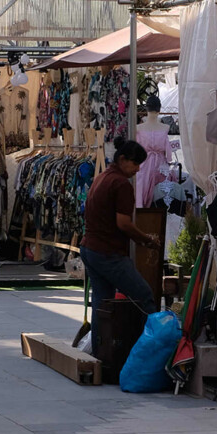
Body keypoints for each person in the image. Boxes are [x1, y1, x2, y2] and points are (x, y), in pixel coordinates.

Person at [80, 136, 160, 348]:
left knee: (102, 301)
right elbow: (123, 223)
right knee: (144, 296)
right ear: (123, 159)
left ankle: (100, 354)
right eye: (135, 164)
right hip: (108, 252)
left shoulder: (102, 177)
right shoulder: (121, 184)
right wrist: (146, 240)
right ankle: (151, 349)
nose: (137, 170)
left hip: (90, 248)